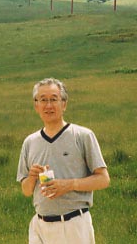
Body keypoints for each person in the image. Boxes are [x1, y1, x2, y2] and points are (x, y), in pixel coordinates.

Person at [17, 78, 110, 244]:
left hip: (74, 225)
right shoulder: (30, 142)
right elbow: (26, 190)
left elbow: (103, 179)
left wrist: (69, 185)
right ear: (36, 105)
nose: (48, 105)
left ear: (64, 104)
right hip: (40, 226)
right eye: (43, 100)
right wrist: (31, 177)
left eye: (54, 99)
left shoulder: (82, 136)